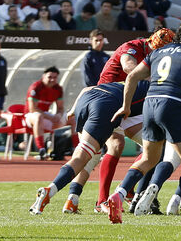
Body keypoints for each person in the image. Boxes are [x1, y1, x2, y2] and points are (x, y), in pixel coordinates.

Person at [106, 16, 181, 225]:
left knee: (148, 159)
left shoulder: (158, 51)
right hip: (172, 104)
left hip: (149, 104)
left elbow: (131, 77)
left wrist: (126, 106)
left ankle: (118, 195)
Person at [29, 80, 151, 215]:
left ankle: (72, 199)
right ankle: (50, 191)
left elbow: (88, 88)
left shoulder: (133, 82)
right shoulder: (157, 89)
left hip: (87, 99)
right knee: (84, 156)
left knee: (87, 156)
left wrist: (73, 109)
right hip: (106, 105)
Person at [90, 27, 175, 211]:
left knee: (155, 145)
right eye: (157, 49)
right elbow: (129, 67)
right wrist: (157, 78)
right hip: (108, 101)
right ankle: (101, 201)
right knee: (115, 146)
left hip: (131, 104)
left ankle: (130, 189)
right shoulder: (132, 46)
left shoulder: (158, 53)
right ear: (151, 42)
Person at [25, 66, 65, 160]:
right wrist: (50, 117)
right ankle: (41, 149)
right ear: (43, 76)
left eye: (55, 78)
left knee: (72, 119)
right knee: (38, 116)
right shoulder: (36, 87)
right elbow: (32, 109)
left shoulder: (58, 89)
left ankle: (74, 149)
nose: (52, 80)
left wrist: (58, 115)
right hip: (30, 117)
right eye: (50, 77)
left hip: (46, 116)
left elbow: (60, 107)